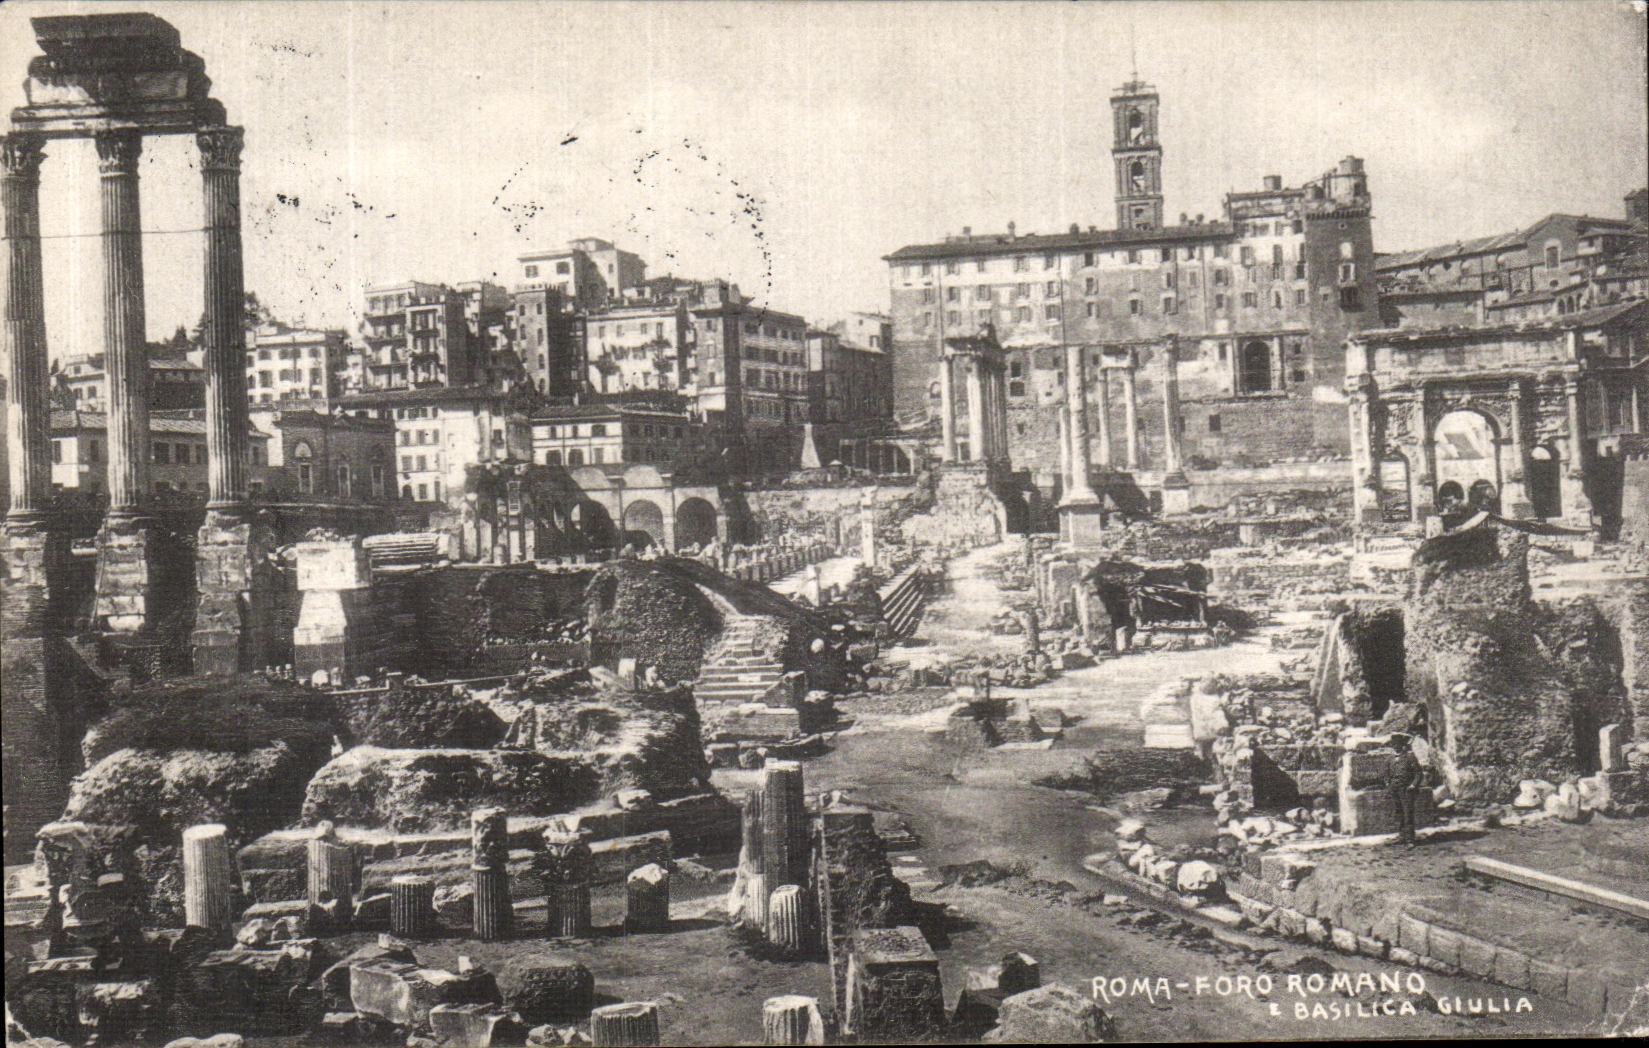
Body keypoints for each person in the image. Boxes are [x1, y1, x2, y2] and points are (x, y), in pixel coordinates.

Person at [1385, 733, 1425, 847]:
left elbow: (1418, 773)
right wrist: (1388, 783)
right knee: (1399, 813)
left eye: (1398, 744)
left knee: (1408, 814)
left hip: (1406, 790)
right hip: (1395, 790)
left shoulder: (1410, 757)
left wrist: (1413, 785)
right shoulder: (1390, 759)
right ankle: (1401, 836)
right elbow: (1386, 774)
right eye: (1394, 745)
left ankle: (1410, 840)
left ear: (1403, 745)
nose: (1396, 747)